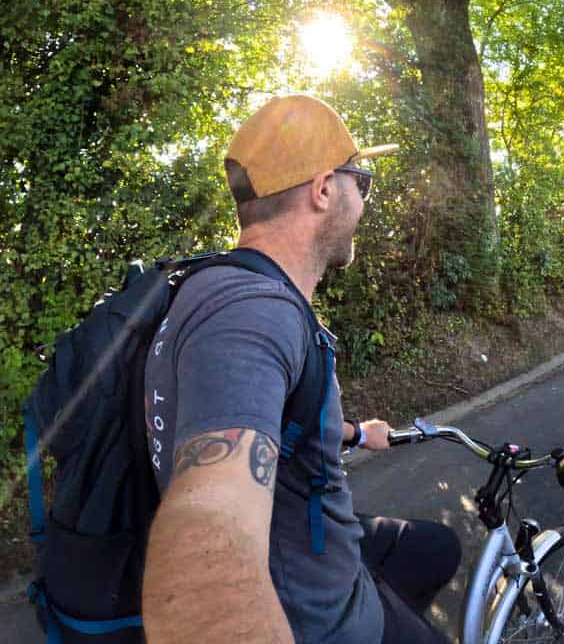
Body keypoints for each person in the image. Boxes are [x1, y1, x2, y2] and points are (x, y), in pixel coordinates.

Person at [142, 95, 460, 644]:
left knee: (437, 548)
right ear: (322, 190)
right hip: (321, 616)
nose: (363, 199)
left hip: (322, 555)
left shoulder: (212, 287)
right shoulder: (254, 314)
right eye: (360, 181)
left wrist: (359, 434)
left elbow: (268, 425)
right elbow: (206, 551)